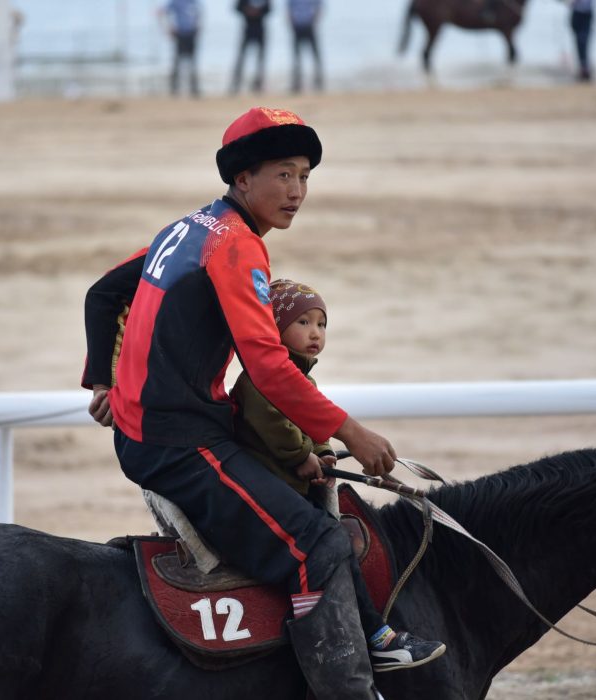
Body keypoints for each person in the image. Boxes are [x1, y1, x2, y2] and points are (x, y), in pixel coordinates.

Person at [83, 107, 445, 697]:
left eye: (304, 176)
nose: (297, 191)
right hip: (177, 444)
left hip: (169, 428)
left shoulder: (189, 228)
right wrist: (351, 432)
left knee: (308, 499)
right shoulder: (236, 247)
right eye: (283, 174)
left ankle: (375, 636)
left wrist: (103, 382)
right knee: (319, 543)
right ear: (242, 179)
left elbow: (103, 296)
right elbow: (269, 367)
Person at [231, 278, 445, 671]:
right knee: (332, 547)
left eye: (321, 324)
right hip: (273, 486)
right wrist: (301, 457)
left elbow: (315, 422)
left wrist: (325, 452)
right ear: (274, 329)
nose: (315, 333)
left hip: (294, 484)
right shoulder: (257, 379)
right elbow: (276, 427)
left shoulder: (303, 379)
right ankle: (373, 637)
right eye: (303, 323)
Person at [160, 0, 201, 97]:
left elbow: (198, 15)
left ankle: (193, 89)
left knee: (192, 63)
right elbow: (162, 12)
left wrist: (198, 26)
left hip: (191, 34)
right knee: (177, 63)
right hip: (180, 34)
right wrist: (168, 28)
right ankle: (174, 89)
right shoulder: (176, 2)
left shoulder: (194, 2)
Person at [231, 0, 270, 94]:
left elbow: (269, 9)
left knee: (260, 60)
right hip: (247, 28)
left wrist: (258, 12)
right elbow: (237, 8)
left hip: (260, 29)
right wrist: (247, 11)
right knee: (241, 59)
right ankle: (236, 84)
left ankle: (258, 84)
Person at [288, 0, 323, 93]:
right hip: (297, 26)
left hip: (309, 25)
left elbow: (318, 7)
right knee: (297, 57)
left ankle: (318, 81)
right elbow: (289, 9)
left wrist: (315, 21)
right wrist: (292, 23)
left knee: (315, 55)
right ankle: (297, 82)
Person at [566, 0, 595, 82]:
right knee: (579, 41)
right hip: (577, 13)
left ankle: (584, 67)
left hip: (585, 13)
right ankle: (583, 67)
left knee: (583, 40)